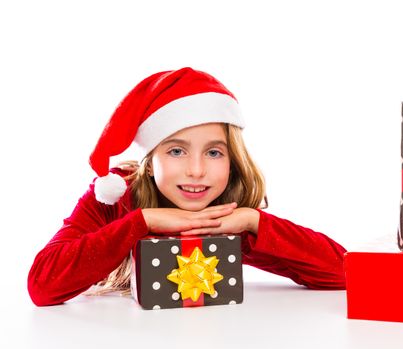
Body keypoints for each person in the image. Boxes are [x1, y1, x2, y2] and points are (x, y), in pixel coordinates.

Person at [27, 67, 347, 306]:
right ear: (150, 163)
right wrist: (142, 222)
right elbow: (41, 285)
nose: (196, 171)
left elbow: (345, 273)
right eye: (177, 151)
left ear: (232, 161)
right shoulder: (115, 195)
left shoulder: (227, 213)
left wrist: (254, 222)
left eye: (214, 152)